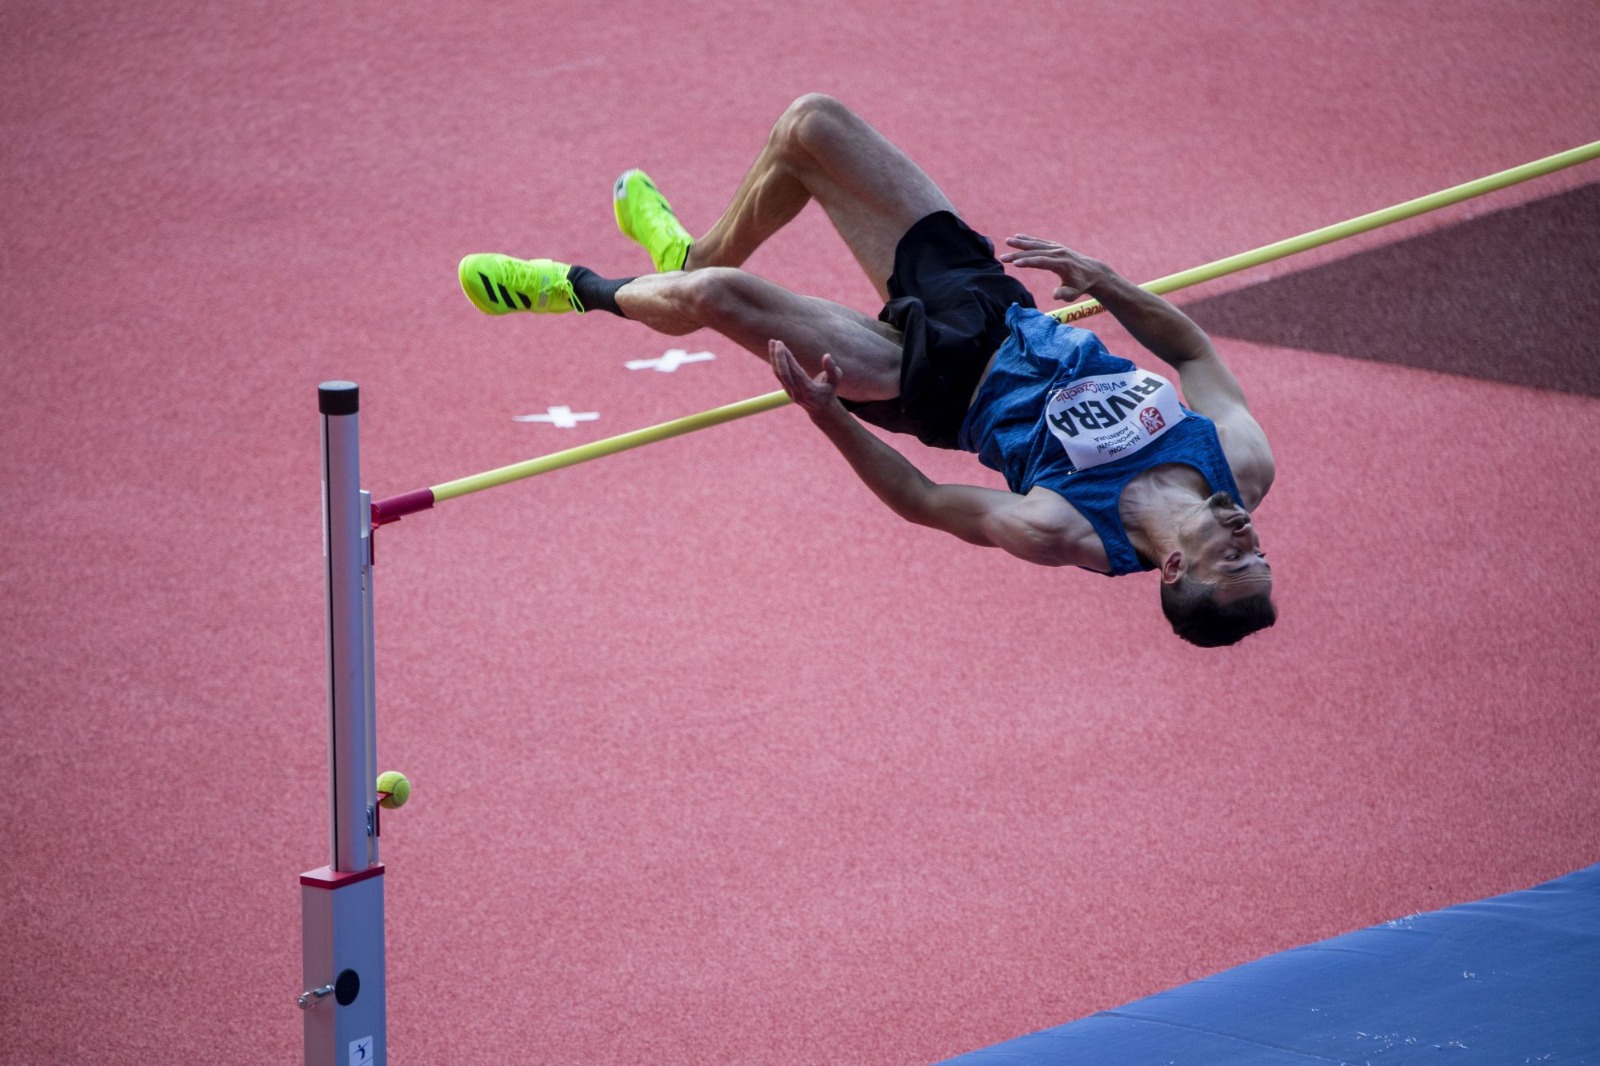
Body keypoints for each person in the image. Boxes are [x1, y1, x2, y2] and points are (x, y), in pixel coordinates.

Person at [458, 94, 1276, 646]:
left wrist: (831, 416)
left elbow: (922, 500)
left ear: (1173, 569)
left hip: (923, 379)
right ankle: (678, 253)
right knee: (811, 127)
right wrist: (1107, 281)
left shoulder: (1066, 533)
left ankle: (576, 289)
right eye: (1259, 555)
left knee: (715, 296)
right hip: (989, 305)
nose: (1248, 538)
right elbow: (1193, 354)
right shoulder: (1239, 466)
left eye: (1230, 560)